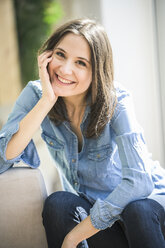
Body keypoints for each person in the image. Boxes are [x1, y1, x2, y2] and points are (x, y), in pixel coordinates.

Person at [0, 18, 165, 248]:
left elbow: (139, 183)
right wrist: (47, 100)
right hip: (100, 217)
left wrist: (75, 236)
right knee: (57, 204)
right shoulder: (37, 95)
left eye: (81, 63)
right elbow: (3, 159)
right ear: (47, 55)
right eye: (60, 54)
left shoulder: (117, 100)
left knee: (138, 209)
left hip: (147, 212)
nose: (65, 69)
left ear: (97, 70)